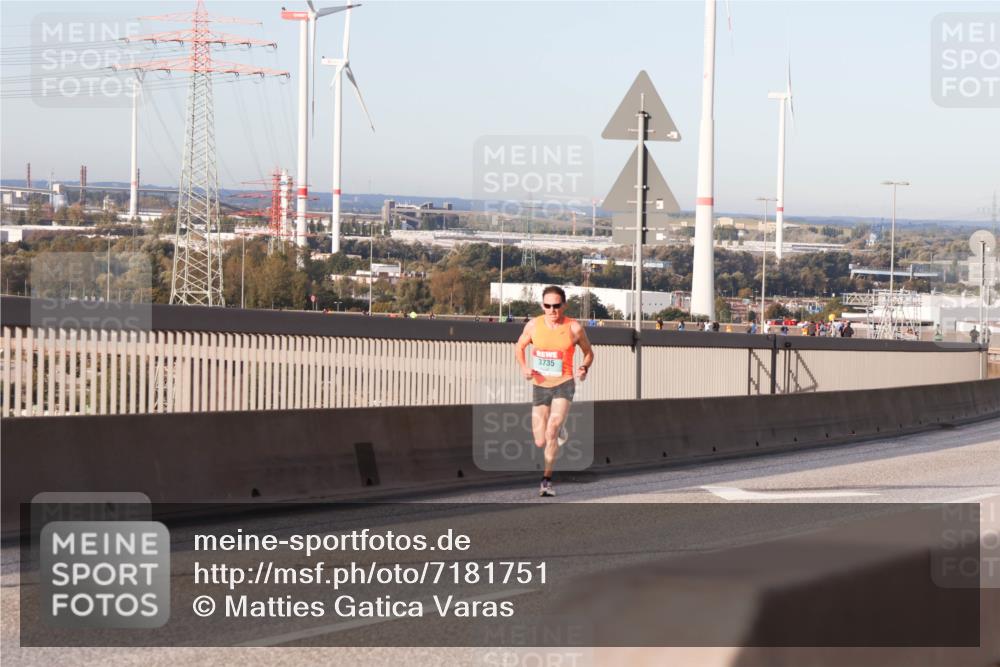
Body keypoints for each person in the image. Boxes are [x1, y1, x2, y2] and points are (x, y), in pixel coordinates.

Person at [515, 286, 594, 498]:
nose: (552, 310)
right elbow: (519, 347)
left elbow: (589, 353)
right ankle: (558, 432)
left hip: (564, 382)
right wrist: (524, 367)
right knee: (540, 440)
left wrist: (584, 367)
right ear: (543, 306)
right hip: (540, 384)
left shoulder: (574, 328)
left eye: (556, 306)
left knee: (551, 431)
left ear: (564, 305)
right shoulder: (533, 325)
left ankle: (546, 480)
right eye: (548, 306)